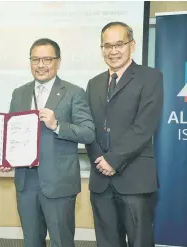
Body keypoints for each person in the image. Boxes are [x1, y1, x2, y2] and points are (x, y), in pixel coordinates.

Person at [4, 38, 95, 247]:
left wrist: (57, 125)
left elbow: (88, 133)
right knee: (31, 241)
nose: (41, 65)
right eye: (35, 59)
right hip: (26, 182)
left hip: (59, 183)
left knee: (61, 242)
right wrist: (5, 158)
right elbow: (11, 133)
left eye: (47, 59)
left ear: (58, 62)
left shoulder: (74, 93)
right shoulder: (19, 93)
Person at [85, 22, 163, 247]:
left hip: (135, 179)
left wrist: (113, 159)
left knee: (140, 242)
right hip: (101, 181)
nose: (113, 51)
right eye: (107, 45)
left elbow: (144, 126)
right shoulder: (94, 83)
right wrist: (101, 160)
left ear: (132, 45)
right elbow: (89, 126)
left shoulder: (151, 77)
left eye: (119, 44)